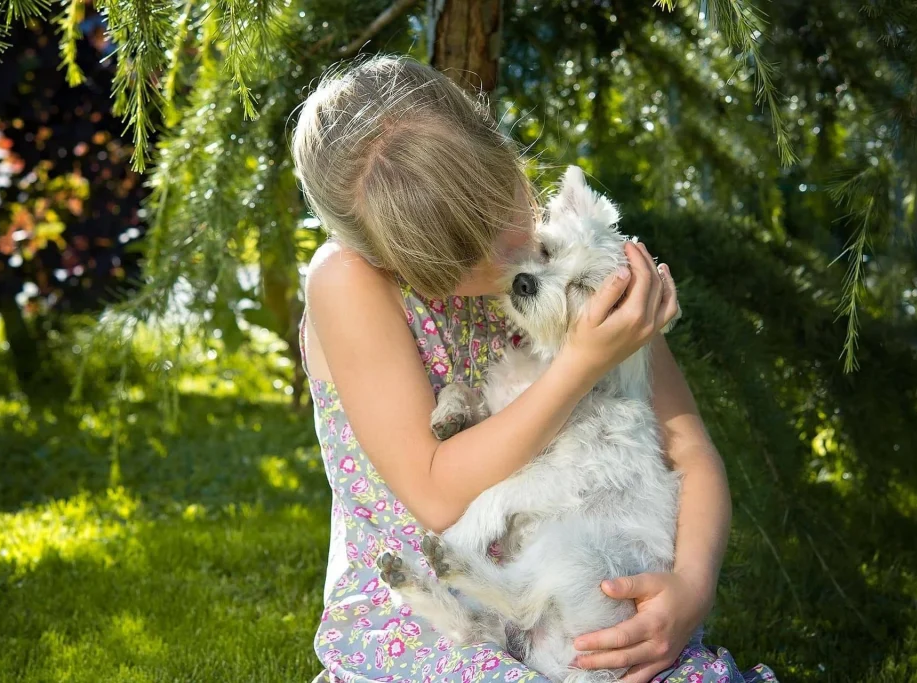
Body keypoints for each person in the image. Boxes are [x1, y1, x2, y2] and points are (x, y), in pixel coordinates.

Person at [290, 54, 777, 683]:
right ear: (387, 257)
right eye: (462, 256)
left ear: (498, 149)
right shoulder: (348, 283)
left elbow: (688, 451)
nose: (509, 257)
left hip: (578, 605)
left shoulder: (566, 251)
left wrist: (691, 585)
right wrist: (580, 364)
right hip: (430, 617)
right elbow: (438, 493)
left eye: (505, 211)